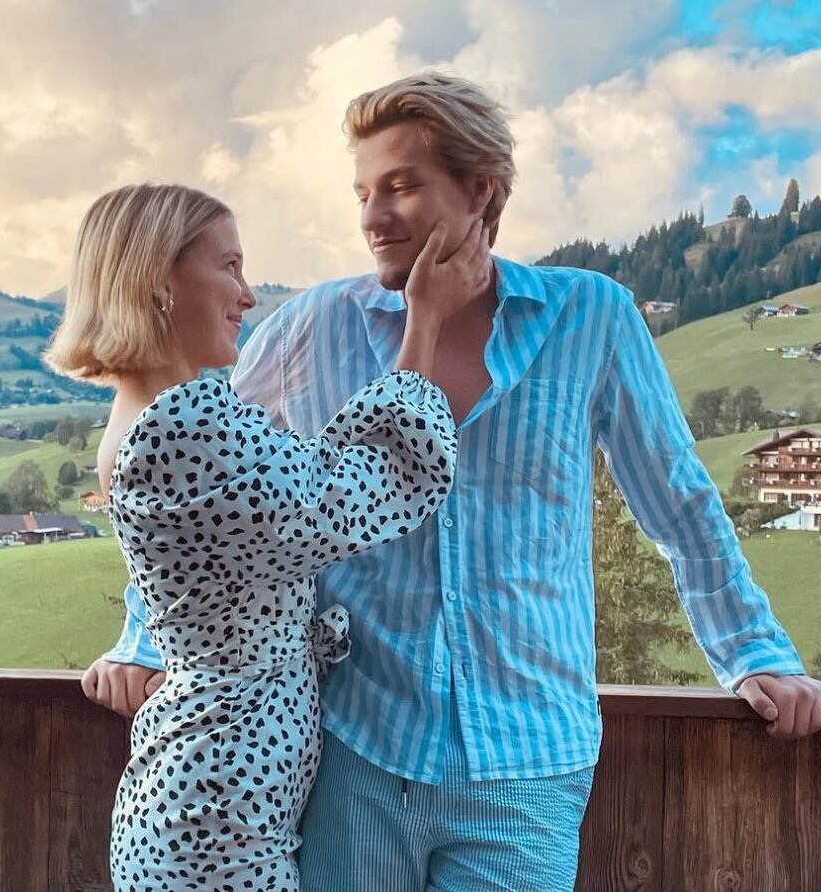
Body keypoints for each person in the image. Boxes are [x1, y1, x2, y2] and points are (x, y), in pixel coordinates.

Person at [85, 75, 821, 892]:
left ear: (480, 189)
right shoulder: (313, 324)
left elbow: (682, 507)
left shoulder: (592, 316)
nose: (372, 218)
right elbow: (201, 491)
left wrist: (754, 651)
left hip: (528, 767)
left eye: (401, 187)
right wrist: (145, 640)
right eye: (363, 192)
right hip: (355, 757)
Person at [45, 181, 492, 892]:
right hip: (217, 819)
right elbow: (360, 491)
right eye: (229, 266)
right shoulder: (183, 429)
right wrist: (426, 323)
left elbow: (289, 502)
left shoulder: (158, 415)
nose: (248, 295)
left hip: (215, 803)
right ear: (160, 279)